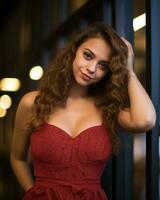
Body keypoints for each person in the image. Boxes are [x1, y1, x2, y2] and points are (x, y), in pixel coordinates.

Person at [10, 22, 156, 200]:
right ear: (73, 51)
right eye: (88, 56)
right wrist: (32, 192)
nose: (92, 68)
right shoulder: (32, 103)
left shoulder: (107, 110)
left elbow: (146, 120)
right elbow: (18, 158)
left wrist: (129, 71)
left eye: (103, 65)